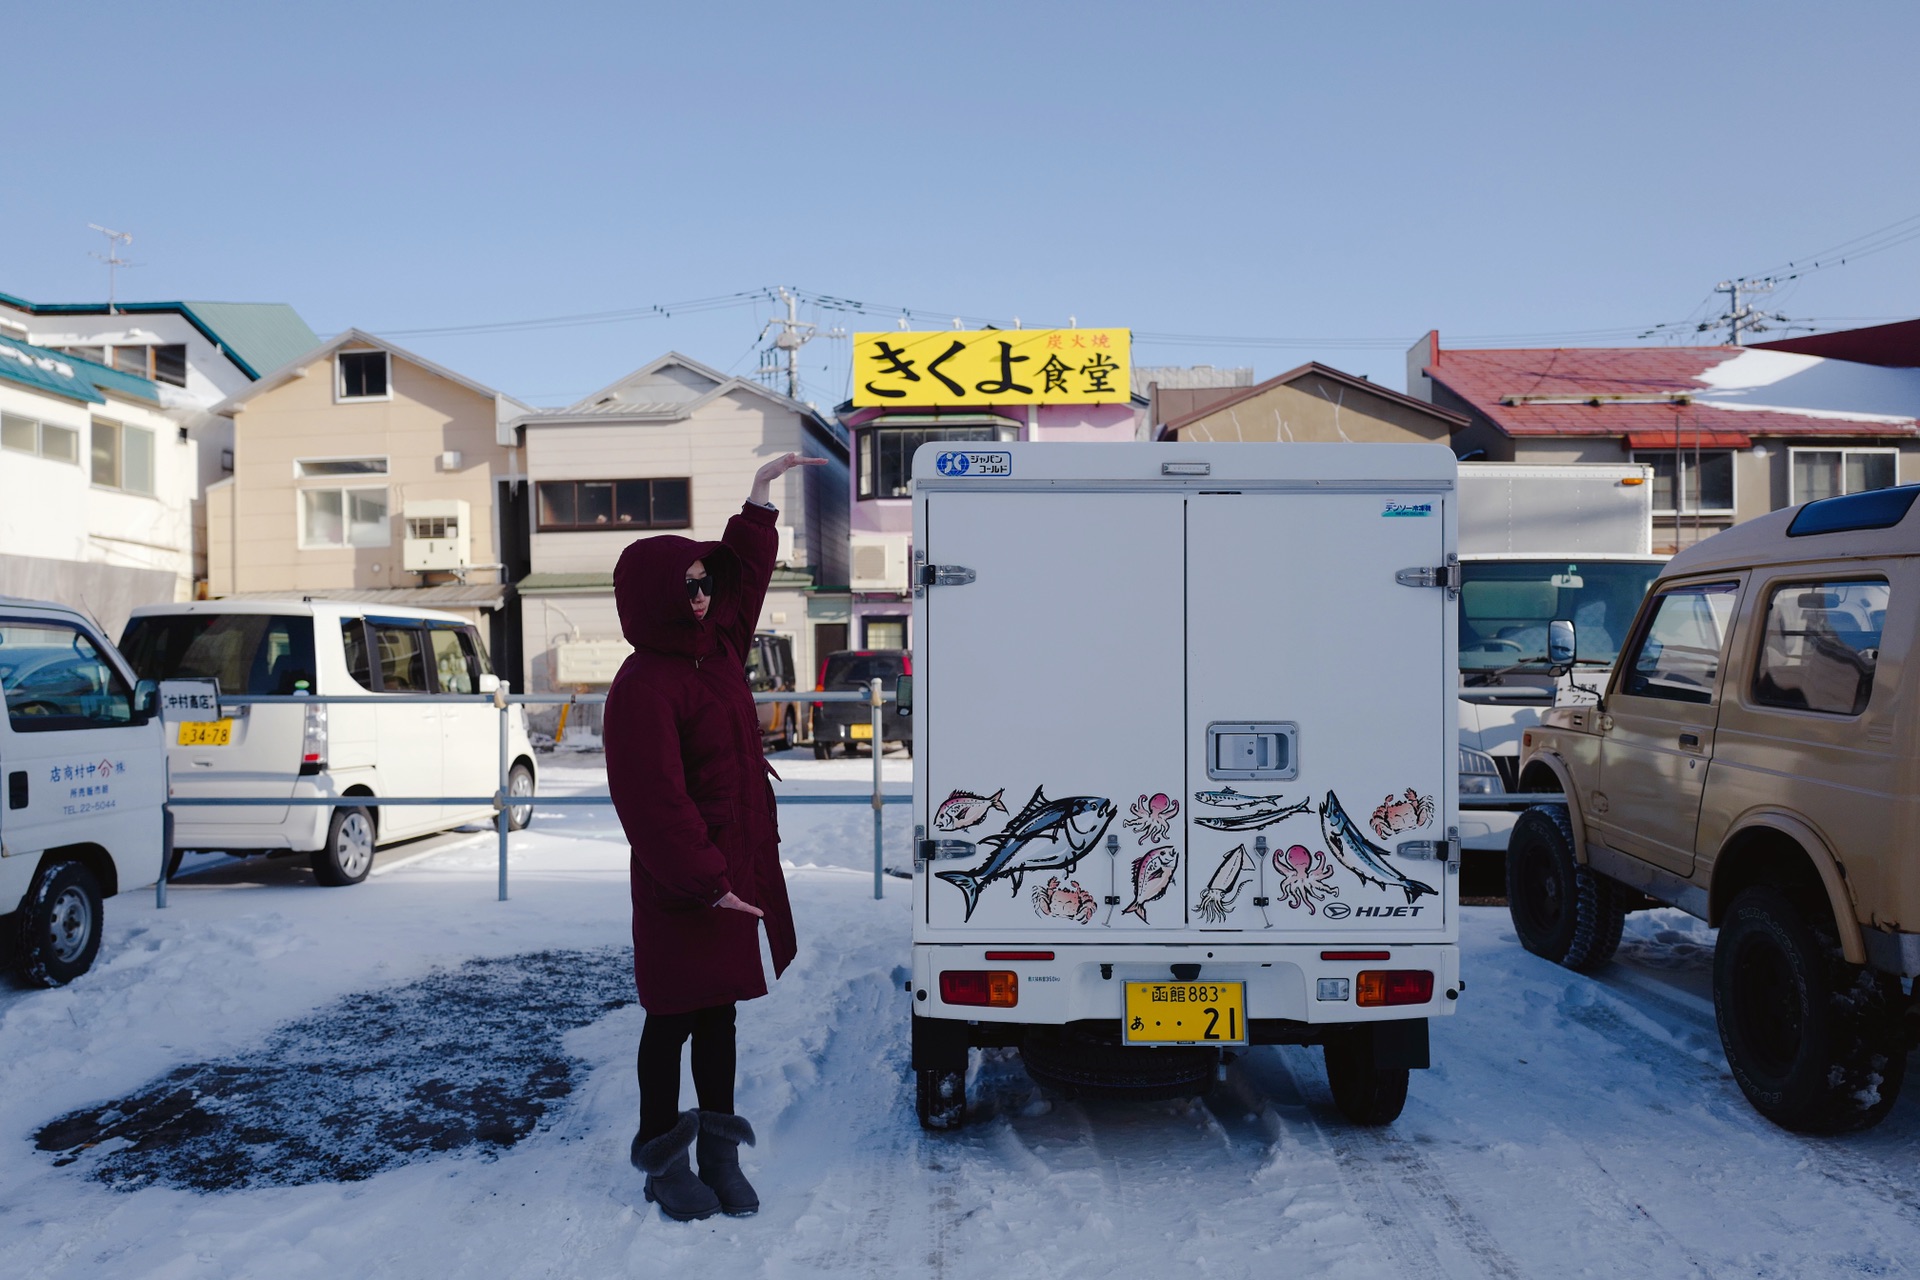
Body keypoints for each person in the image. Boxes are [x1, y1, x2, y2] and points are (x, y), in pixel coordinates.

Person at [604, 451, 826, 1221]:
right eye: (688, 586)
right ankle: (663, 1160)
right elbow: (651, 801)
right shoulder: (643, 685)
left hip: (732, 875)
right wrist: (706, 878)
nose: (702, 596)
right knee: (669, 1019)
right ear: (655, 597)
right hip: (683, 885)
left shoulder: (720, 650)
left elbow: (749, 580)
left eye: (706, 583)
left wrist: (759, 504)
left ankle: (719, 1156)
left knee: (721, 1015)